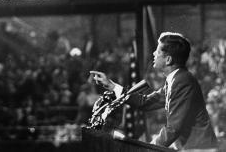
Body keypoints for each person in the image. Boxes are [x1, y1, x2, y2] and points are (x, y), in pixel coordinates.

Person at [90, 32, 218, 151]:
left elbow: (173, 128)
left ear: (168, 60)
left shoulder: (182, 81)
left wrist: (148, 148)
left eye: (157, 51)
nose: (153, 53)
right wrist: (112, 86)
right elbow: (145, 102)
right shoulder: (176, 79)